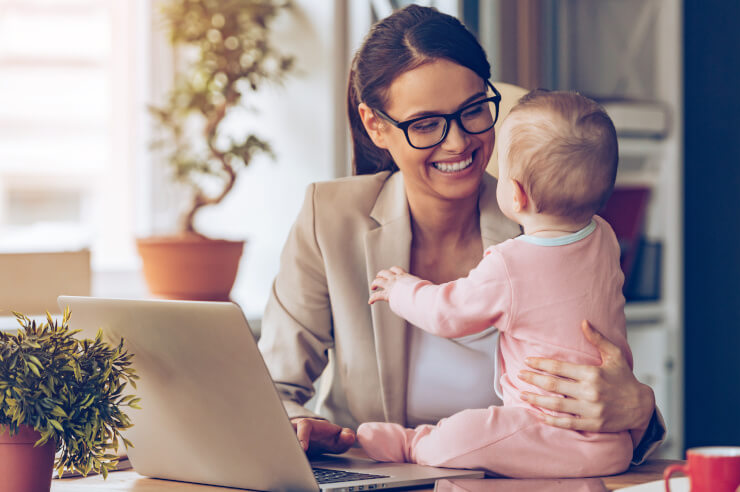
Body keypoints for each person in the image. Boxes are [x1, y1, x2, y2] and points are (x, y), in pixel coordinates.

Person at [257, 4, 664, 465]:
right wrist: (298, 427)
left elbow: (605, 372)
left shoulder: (549, 222)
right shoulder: (328, 217)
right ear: (376, 126)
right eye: (426, 124)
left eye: (473, 111)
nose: (457, 142)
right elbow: (272, 388)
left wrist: (639, 407)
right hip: (375, 476)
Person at [356, 90, 633, 478]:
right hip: (612, 444)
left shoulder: (510, 263)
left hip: (543, 428)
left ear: (515, 194)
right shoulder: (604, 238)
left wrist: (400, 289)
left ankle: (413, 444)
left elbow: (447, 313)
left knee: (470, 430)